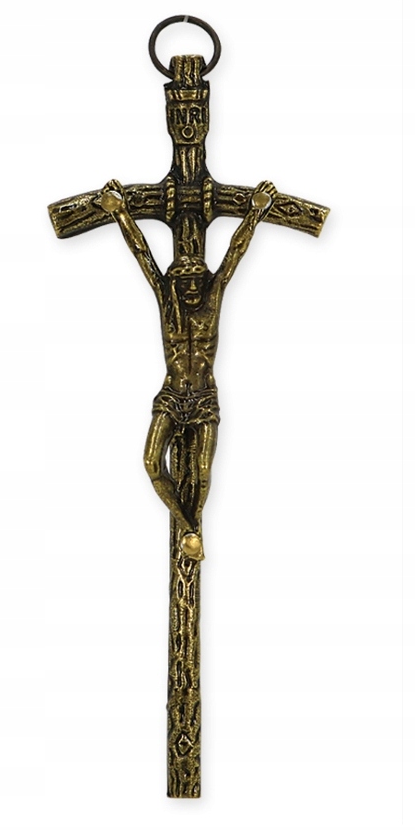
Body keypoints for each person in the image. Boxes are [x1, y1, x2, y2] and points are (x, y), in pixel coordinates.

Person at [100, 178, 275, 560]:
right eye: (185, 284)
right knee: (150, 462)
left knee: (203, 472)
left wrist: (255, 213)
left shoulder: (213, 300)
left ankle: (191, 532)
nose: (193, 289)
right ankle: (189, 527)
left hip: (204, 397)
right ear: (175, 285)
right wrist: (121, 213)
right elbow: (143, 255)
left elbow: (233, 255)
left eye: (198, 282)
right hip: (172, 394)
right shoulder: (169, 304)